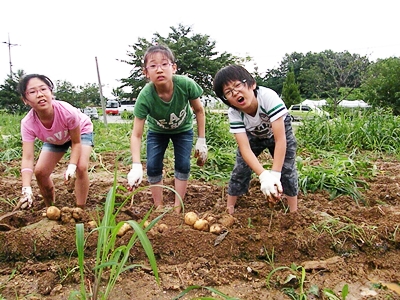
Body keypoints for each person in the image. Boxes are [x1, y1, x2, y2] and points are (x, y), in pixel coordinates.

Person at [127, 44, 207, 213]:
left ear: (174, 67)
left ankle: (178, 208)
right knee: (153, 165)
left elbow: (199, 110)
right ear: (146, 73)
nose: (160, 70)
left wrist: (201, 140)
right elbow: (136, 134)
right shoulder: (145, 96)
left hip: (183, 129)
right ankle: (159, 206)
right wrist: (136, 164)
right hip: (158, 131)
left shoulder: (185, 85)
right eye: (153, 66)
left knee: (183, 164)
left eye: (164, 64)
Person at [213, 65, 298, 214]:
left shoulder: (268, 98)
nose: (235, 92)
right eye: (228, 92)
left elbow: (280, 139)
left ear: (252, 85)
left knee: (287, 169)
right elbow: (244, 148)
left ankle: (293, 212)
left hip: (278, 132)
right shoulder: (234, 113)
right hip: (253, 135)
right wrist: (264, 175)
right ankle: (229, 208)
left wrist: (275, 174)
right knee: (240, 169)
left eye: (238, 85)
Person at [17, 74, 94, 210]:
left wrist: (71, 166)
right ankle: (50, 207)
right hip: (55, 138)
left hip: (80, 132)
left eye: (43, 89)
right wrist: (26, 187)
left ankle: (79, 208)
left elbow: (76, 143)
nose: (40, 95)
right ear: (25, 100)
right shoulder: (28, 123)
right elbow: (28, 157)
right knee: (40, 172)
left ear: (51, 92)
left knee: (81, 166)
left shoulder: (67, 112)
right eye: (33, 92)